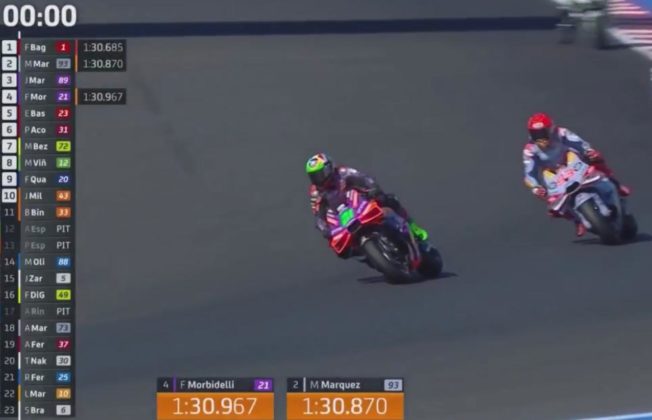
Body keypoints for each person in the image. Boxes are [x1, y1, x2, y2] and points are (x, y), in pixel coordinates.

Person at [523, 112, 630, 237]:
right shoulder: (529, 150)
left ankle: (616, 184)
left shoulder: (562, 133)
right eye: (535, 134)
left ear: (551, 129)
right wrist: (536, 187)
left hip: (572, 163)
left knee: (597, 161)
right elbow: (529, 173)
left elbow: (579, 143)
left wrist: (589, 151)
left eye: (542, 133)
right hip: (554, 174)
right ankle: (577, 220)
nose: (540, 138)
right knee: (553, 204)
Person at [306, 153, 428, 244]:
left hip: (359, 202)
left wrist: (374, 189)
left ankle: (413, 227)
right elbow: (318, 214)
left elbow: (365, 178)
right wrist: (324, 229)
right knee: (340, 248)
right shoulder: (315, 192)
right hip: (341, 219)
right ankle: (368, 256)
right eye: (313, 176)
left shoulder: (342, 172)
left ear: (328, 168)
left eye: (319, 174)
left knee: (389, 200)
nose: (317, 179)